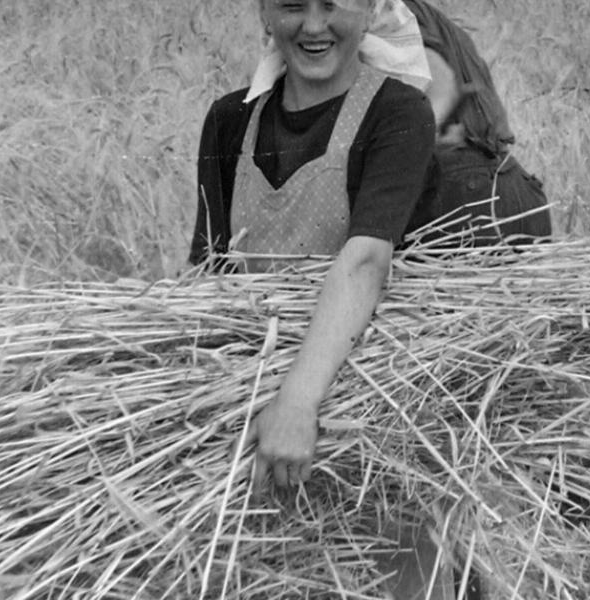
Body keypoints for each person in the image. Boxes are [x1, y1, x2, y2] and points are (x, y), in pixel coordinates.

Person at [189, 1, 472, 596]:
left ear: (369, 11)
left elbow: (365, 261)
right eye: (292, 5)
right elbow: (209, 279)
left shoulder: (398, 113)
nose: (313, 27)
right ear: (265, 12)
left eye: (333, 5)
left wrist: (297, 403)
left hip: (366, 420)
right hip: (254, 416)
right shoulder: (228, 122)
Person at [402, 0, 552, 247]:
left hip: (458, 189)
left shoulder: (384, 15)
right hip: (515, 184)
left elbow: (441, 87)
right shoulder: (433, 20)